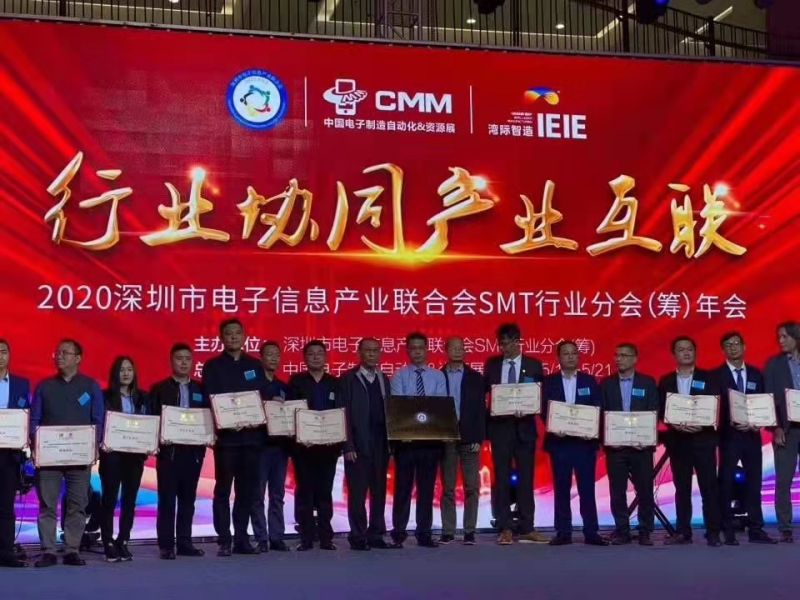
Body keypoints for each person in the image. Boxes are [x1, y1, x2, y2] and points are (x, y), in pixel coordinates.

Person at [30, 339, 104, 567]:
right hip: (49, 457)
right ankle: (48, 550)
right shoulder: (44, 387)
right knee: (47, 505)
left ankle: (72, 549)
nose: (59, 356)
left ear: (78, 358)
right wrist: (35, 446)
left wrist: (93, 446)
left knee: (77, 504)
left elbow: (98, 420)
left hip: (79, 457)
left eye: (65, 353)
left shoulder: (90, 386)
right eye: (57, 352)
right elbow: (34, 420)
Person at [202, 318, 266, 557]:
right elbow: (210, 398)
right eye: (229, 333)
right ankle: (224, 539)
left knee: (246, 491)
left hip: (251, 438)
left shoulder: (255, 365)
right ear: (221, 338)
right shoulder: (212, 366)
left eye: (237, 333)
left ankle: (241, 538)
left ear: (244, 336)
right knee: (223, 490)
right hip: (227, 440)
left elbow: (261, 397)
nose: (233, 337)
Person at [484, 323, 547, 545]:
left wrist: (531, 409)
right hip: (500, 429)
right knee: (501, 479)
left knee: (526, 479)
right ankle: (505, 527)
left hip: (525, 430)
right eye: (501, 344)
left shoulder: (533, 365)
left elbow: (539, 397)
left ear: (518, 341)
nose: (504, 348)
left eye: (508, 343)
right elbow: (485, 394)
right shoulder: (492, 364)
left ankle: (527, 526)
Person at [658, 336, 722, 547]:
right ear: (674, 354)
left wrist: (703, 424)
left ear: (695, 352)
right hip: (679, 442)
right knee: (682, 489)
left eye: (689, 349)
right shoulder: (666, 381)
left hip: (703, 440)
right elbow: (661, 410)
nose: (686, 352)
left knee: (709, 488)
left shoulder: (709, 378)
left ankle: (713, 532)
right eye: (681, 349)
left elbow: (716, 407)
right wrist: (674, 423)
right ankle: (683, 532)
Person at [714, 331, 776, 545]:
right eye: (728, 344)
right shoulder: (716, 375)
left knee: (754, 482)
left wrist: (760, 422)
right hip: (728, 436)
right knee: (726, 483)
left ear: (744, 346)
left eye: (736, 343)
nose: (733, 347)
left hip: (752, 436)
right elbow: (713, 408)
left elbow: (764, 403)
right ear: (723, 350)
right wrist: (728, 421)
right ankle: (727, 529)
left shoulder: (757, 374)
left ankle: (756, 528)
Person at [543, 341, 607, 546]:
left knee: (587, 489)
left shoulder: (590, 381)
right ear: (558, 358)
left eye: (573, 353)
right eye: (566, 353)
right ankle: (563, 532)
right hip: (560, 443)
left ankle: (591, 531)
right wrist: (553, 425)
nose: (570, 357)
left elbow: (597, 408)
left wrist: (592, 430)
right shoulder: (549, 382)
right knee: (561, 488)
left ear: (579, 357)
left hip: (584, 444)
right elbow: (544, 410)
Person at [389, 332, 447, 548]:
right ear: (407, 350)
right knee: (403, 489)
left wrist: (417, 410)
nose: (417, 352)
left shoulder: (438, 376)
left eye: (421, 348)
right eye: (413, 348)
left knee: (427, 489)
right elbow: (399, 406)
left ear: (427, 349)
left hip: (431, 441)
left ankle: (424, 533)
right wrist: (418, 411)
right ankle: (398, 533)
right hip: (406, 441)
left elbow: (439, 406)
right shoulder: (399, 376)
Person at [150, 343, 207, 560]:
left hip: (193, 454)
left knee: (188, 500)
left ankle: (185, 542)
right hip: (169, 453)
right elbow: (152, 420)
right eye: (179, 358)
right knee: (167, 500)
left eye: (187, 359)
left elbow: (208, 418)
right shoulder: (159, 389)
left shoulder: (201, 389)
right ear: (171, 361)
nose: (183, 362)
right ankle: (166, 545)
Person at [601, 342, 659, 546]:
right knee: (617, 491)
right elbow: (601, 414)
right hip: (616, 448)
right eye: (617, 355)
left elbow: (654, 411)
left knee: (645, 490)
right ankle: (622, 530)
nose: (619, 359)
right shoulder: (606, 384)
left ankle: (645, 531)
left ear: (635, 359)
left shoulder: (647, 383)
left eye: (624, 355)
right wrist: (608, 438)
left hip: (641, 447)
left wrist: (646, 437)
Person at [289, 341, 343, 551]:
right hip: (304, 447)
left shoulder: (335, 383)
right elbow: (291, 412)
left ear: (326, 357)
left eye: (320, 353)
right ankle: (306, 536)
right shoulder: (297, 382)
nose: (315, 357)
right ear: (304, 358)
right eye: (311, 354)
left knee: (324, 491)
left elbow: (341, 412)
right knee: (305, 491)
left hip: (328, 447)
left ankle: (326, 536)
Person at [341, 338, 394, 551]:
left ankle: (376, 534)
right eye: (367, 350)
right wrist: (348, 445)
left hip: (380, 443)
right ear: (359, 353)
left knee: (379, 491)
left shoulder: (384, 379)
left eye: (375, 350)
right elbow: (343, 413)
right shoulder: (348, 378)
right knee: (357, 493)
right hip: (358, 444)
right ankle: (357, 535)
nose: (372, 354)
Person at [99, 356, 151, 562]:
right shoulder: (105, 397)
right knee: (109, 499)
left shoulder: (143, 397)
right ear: (115, 373)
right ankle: (108, 542)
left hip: (135, 457)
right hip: (112, 455)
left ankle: (123, 540)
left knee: (130, 500)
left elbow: (150, 424)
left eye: (129, 369)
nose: (126, 373)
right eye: (122, 370)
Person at [439, 336, 485, 546]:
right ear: (446, 350)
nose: (458, 351)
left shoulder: (476, 377)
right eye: (454, 348)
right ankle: (448, 531)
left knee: (471, 487)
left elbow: (481, 410)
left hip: (470, 437)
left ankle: (469, 531)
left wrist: (478, 437)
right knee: (448, 487)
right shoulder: (438, 376)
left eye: (461, 347)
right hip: (447, 436)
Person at [250, 341, 291, 553]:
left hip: (279, 447)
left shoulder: (284, 387)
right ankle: (261, 537)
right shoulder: (252, 384)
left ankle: (277, 536)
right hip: (258, 446)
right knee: (257, 494)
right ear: (261, 357)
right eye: (269, 354)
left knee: (277, 494)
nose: (274, 358)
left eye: (277, 355)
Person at [765, 321, 800, 543]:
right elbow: (770, 398)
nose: (780, 341)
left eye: (785, 336)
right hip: (787, 429)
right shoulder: (774, 364)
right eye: (779, 337)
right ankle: (785, 527)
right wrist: (776, 427)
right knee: (784, 480)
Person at [0, 339, 30, 568]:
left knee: (6, 505)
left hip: (10, 454)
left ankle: (6, 552)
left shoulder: (21, 384)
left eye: (3, 352)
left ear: (9, 355)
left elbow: (26, 415)